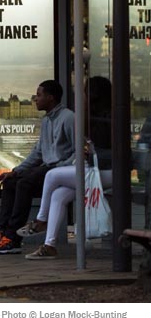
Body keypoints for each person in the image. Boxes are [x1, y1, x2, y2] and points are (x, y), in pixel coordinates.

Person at [0, 79, 75, 255]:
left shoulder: (68, 118)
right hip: (46, 169)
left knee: (24, 184)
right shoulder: (46, 121)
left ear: (50, 98)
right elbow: (37, 152)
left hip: (58, 170)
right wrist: (15, 171)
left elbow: (79, 151)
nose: (35, 99)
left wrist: (61, 167)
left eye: (38, 95)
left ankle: (13, 240)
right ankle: (2, 234)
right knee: (11, 182)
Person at [20, 76, 113, 260]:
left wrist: (89, 149)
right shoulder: (86, 118)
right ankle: (49, 245)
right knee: (58, 195)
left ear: (94, 95)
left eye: (85, 92)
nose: (82, 97)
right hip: (89, 170)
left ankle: (41, 220)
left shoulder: (107, 118)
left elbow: (110, 152)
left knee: (52, 175)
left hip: (105, 172)